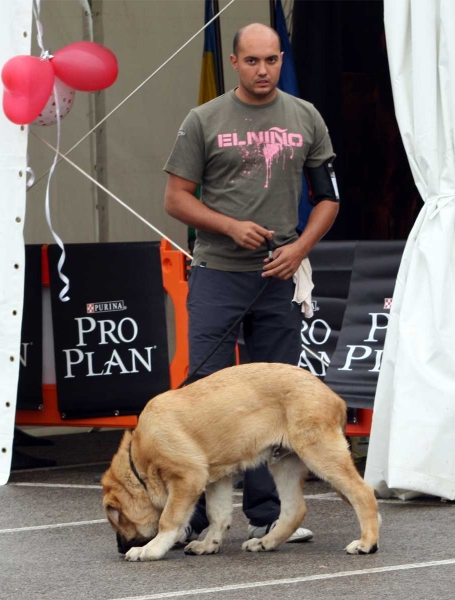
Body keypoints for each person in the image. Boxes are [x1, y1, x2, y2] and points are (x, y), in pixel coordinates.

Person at [163, 23, 339, 545]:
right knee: (203, 401)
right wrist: (229, 225)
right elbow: (176, 199)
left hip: (278, 277)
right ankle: (194, 518)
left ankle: (265, 514)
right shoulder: (204, 119)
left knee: (273, 405)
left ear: (281, 59)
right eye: (253, 61)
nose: (263, 70)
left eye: (272, 60)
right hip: (218, 274)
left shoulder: (305, 116)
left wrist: (300, 248)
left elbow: (328, 198)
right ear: (235, 63)